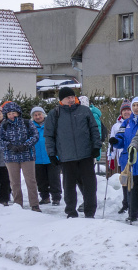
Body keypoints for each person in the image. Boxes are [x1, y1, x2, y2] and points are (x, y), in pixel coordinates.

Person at [44, 86, 102, 218]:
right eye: (67, 98)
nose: (71, 99)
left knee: (90, 186)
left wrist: (96, 147)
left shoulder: (85, 111)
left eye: (72, 97)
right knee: (69, 187)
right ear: (61, 100)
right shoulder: (55, 114)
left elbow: (94, 130)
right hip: (67, 157)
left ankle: (90, 212)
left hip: (86, 155)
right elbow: (49, 136)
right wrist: (51, 154)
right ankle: (71, 212)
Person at [110, 96, 138, 224]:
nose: (136, 108)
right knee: (129, 187)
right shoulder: (126, 123)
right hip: (127, 161)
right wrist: (116, 141)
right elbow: (121, 139)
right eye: (134, 106)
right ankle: (132, 214)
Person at [0, 101, 41, 211]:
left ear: (18, 112)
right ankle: (18, 204)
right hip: (11, 157)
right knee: (14, 182)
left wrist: (25, 145)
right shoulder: (4, 125)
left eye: (13, 113)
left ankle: (34, 204)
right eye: (9, 114)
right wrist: (9, 146)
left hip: (27, 156)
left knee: (30, 180)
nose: (12, 116)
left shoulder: (27, 123)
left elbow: (35, 136)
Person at [30, 106, 61, 207]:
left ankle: (56, 198)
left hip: (51, 157)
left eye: (39, 114)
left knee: (54, 179)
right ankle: (44, 197)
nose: (38, 117)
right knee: (41, 180)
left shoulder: (51, 124)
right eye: (35, 115)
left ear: (44, 115)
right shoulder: (30, 127)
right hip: (37, 158)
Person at [109, 102, 132, 213]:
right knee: (124, 181)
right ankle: (125, 203)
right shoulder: (116, 126)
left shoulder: (134, 123)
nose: (126, 112)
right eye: (124, 110)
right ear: (121, 112)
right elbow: (112, 142)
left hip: (133, 158)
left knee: (135, 181)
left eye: (128, 110)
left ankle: (136, 203)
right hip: (122, 159)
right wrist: (111, 157)